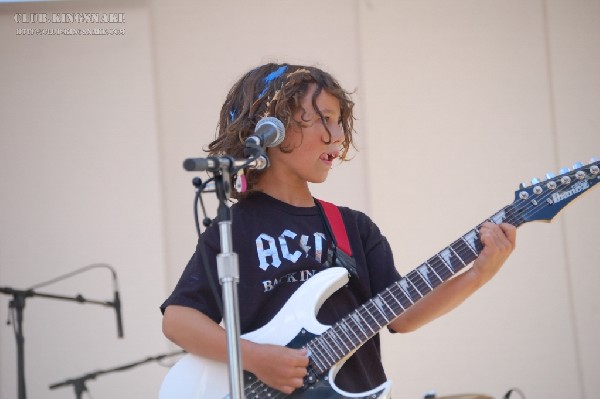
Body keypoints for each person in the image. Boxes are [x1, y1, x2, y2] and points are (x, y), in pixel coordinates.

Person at [160, 62, 517, 396]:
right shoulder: (234, 227)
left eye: (340, 122)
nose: (338, 137)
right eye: (326, 119)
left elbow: (403, 316)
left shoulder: (352, 228)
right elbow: (178, 320)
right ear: (275, 125)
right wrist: (255, 358)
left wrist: (477, 275)